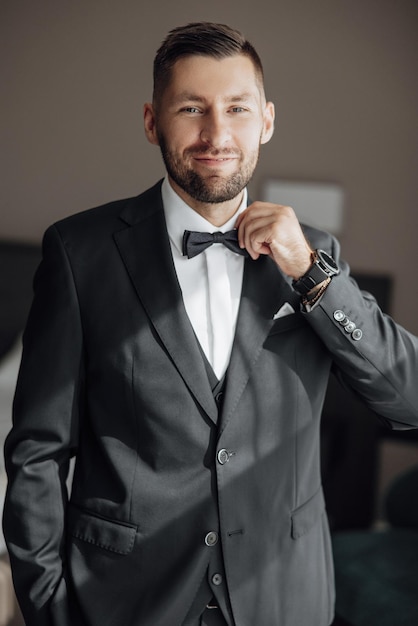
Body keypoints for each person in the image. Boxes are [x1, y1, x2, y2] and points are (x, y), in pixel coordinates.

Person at [2, 21, 418, 626]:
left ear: (267, 121)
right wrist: (46, 605)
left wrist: (310, 275)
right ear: (152, 121)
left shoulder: (315, 254)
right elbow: (38, 451)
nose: (216, 133)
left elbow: (408, 400)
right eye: (192, 108)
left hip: (283, 596)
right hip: (126, 600)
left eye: (237, 109)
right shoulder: (78, 253)